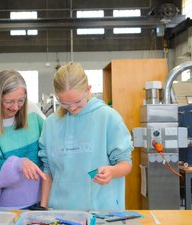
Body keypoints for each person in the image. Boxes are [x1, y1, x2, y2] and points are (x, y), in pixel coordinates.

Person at [38, 62, 133, 210]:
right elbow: (48, 172)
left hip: (101, 212)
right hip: (60, 212)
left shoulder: (107, 117)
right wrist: (43, 209)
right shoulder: (50, 124)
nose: (73, 108)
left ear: (88, 89)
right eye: (65, 104)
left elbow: (125, 163)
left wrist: (111, 171)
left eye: (77, 102)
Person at [0, 70, 46, 210]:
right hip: (8, 204)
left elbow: (50, 141)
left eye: (21, 100)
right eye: (9, 101)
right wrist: (18, 164)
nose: (15, 107)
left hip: (41, 198)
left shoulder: (31, 109)